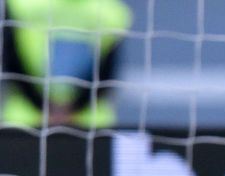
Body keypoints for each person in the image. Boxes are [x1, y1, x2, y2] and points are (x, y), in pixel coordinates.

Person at [1, 0, 132, 128]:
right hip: (30, 118)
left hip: (84, 121)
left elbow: (107, 70)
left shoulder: (112, 11)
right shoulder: (111, 10)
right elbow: (11, 57)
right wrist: (62, 109)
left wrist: (50, 109)